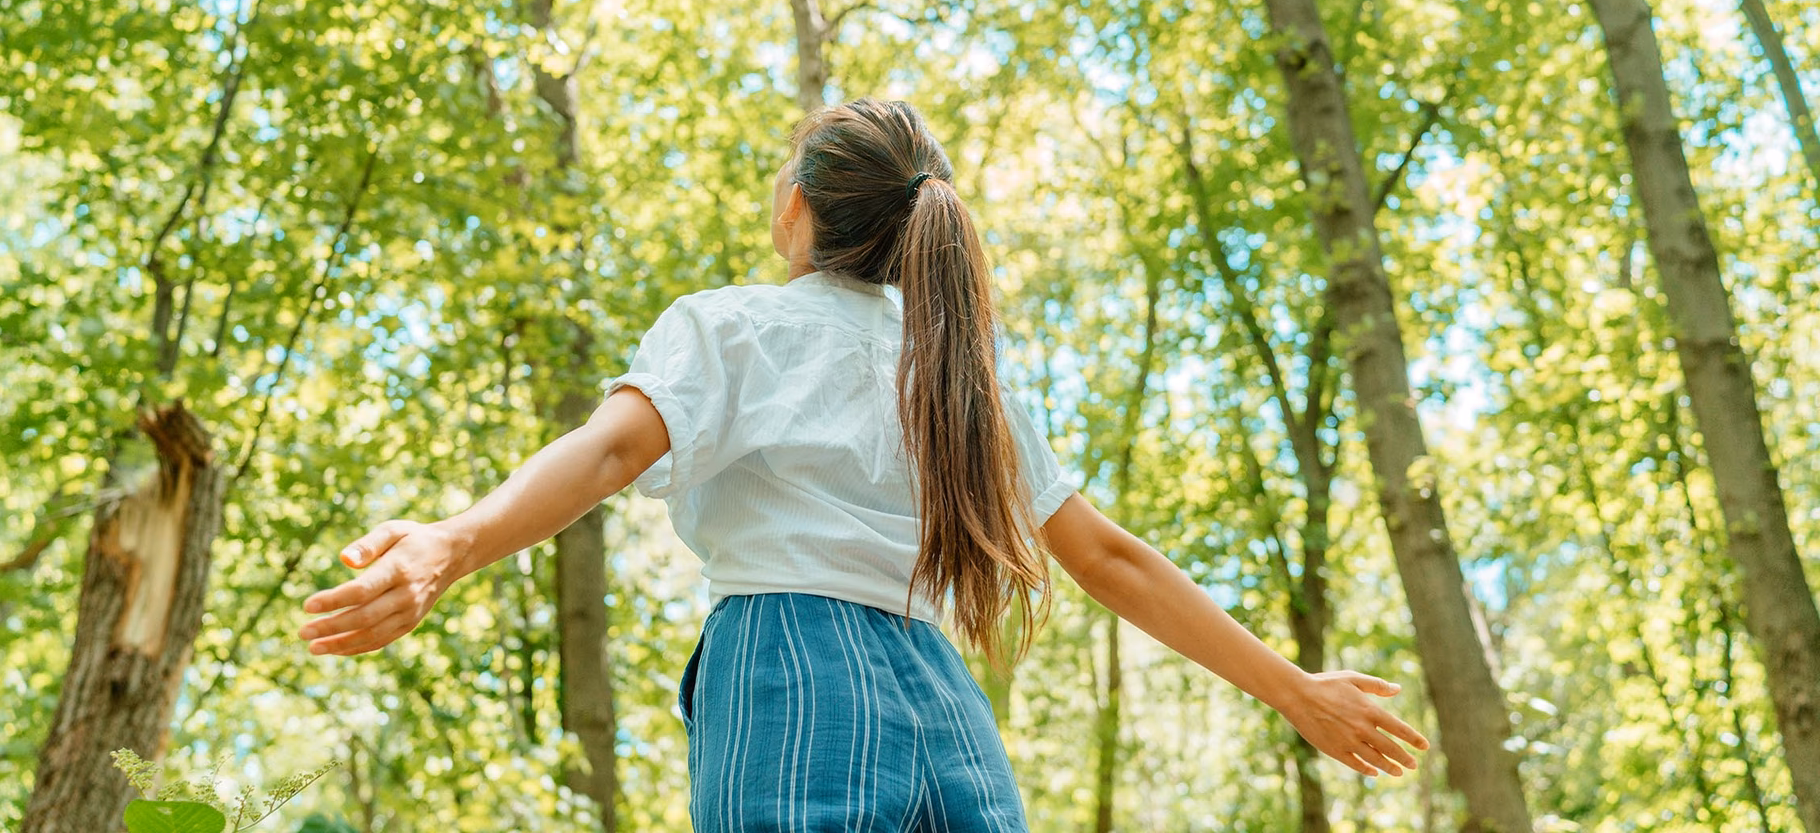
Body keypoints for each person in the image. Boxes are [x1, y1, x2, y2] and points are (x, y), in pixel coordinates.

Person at [298, 98, 1429, 830]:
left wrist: (453, 539)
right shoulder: (965, 376)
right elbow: (1111, 557)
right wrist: (1295, 689)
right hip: (942, 696)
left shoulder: (735, 325)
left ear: (798, 206)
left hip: (788, 667)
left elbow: (605, 454)